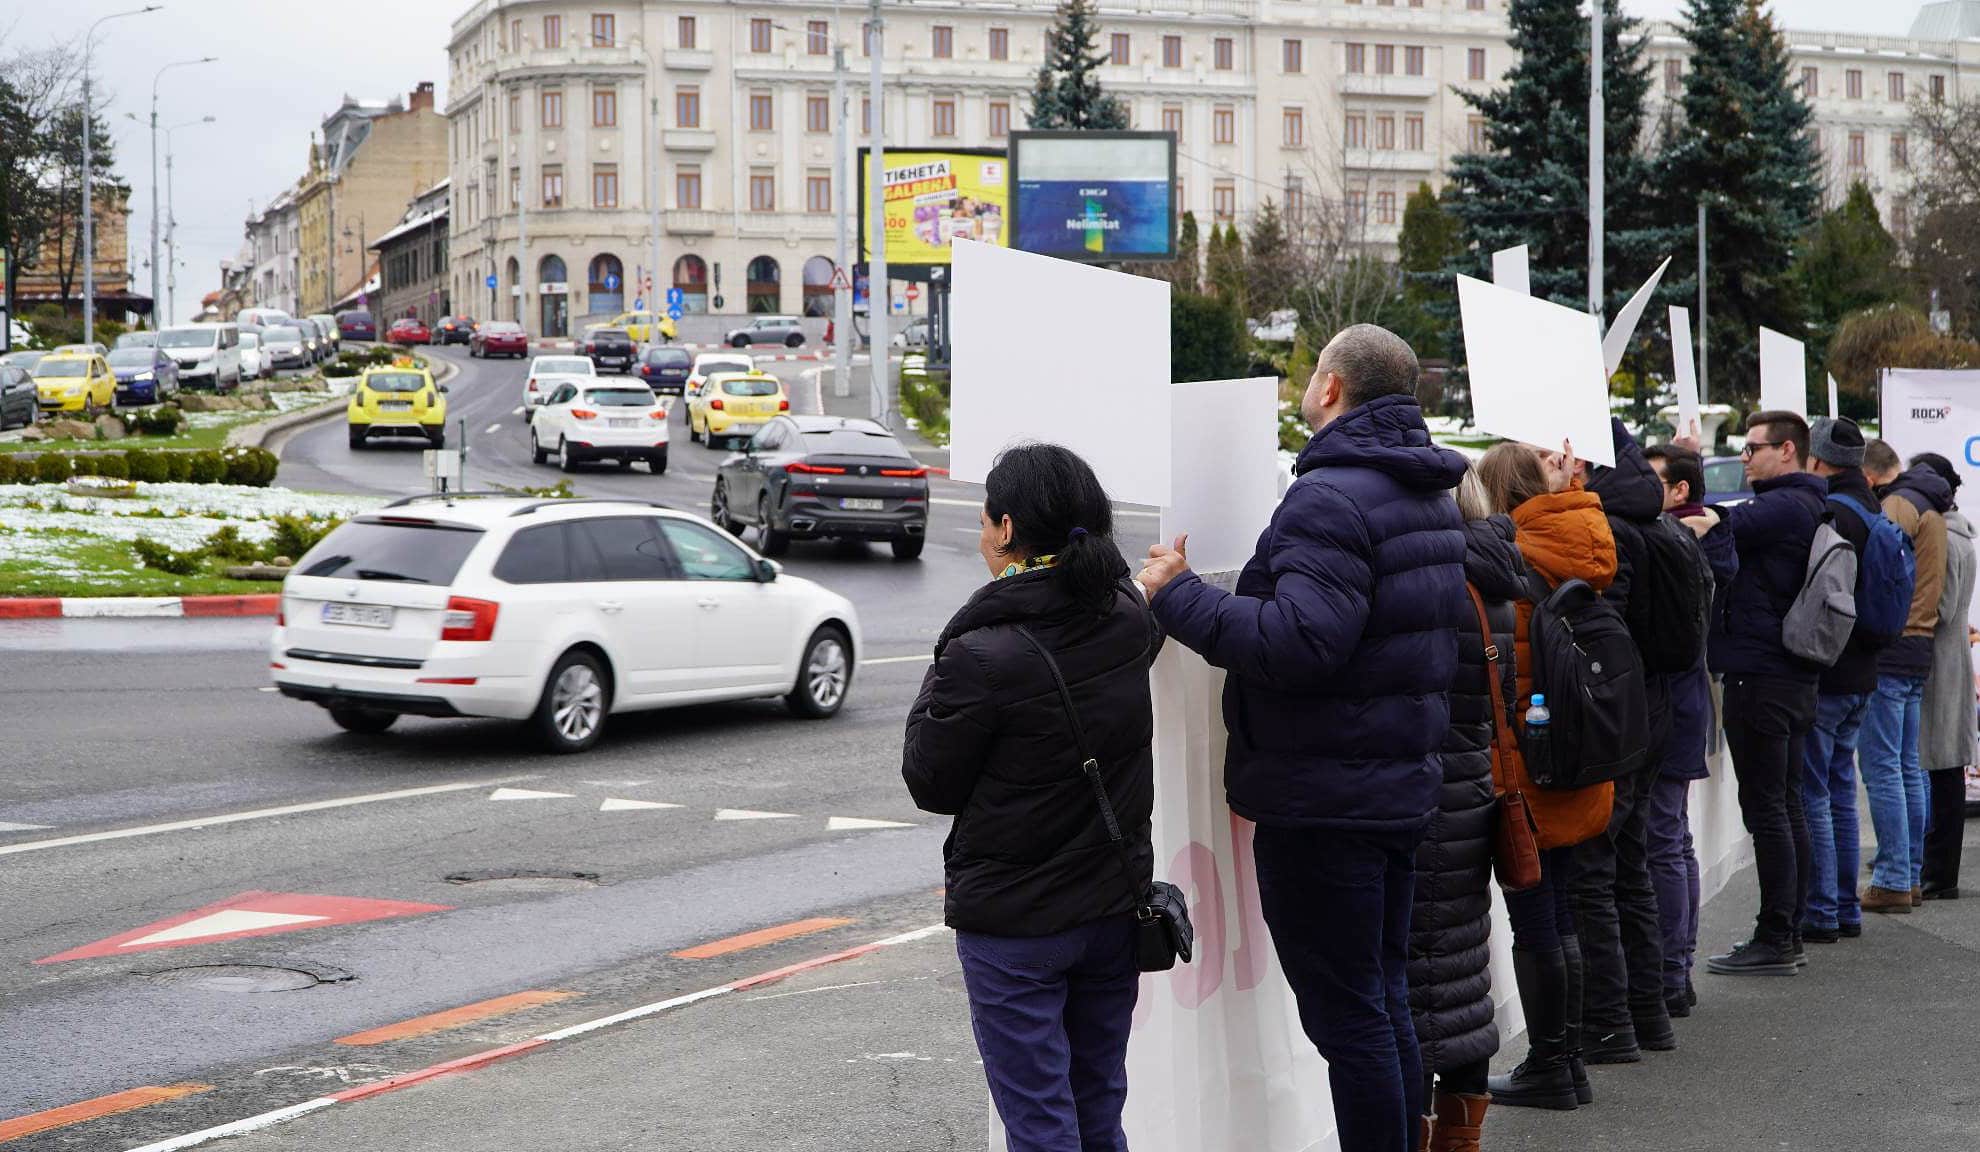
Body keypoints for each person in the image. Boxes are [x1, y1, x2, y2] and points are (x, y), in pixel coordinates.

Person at [1137, 324, 1468, 1152]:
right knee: (1380, 1001)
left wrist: (1178, 595)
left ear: (1329, 387)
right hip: (1386, 788)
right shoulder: (1419, 488)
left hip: (1329, 802)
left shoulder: (1331, 494)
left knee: (1352, 1018)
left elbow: (1300, 642)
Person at [901, 443, 1159, 1152]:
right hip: (1112, 906)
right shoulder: (1127, 618)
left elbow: (930, 780)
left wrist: (951, 647)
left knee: (1042, 1125)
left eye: (985, 516)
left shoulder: (981, 652)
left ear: (1006, 528)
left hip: (1017, 928)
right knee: (1097, 1108)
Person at [1471, 441, 1617, 1113]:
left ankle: (1553, 1064)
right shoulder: (1585, 546)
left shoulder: (1510, 563)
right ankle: (1569, 1058)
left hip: (1526, 770)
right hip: (1579, 763)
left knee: (1537, 920)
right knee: (1559, 912)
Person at [1682, 410, 1828, 976]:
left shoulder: (1783, 507)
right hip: (1787, 675)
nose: (1743, 458)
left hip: (1761, 675)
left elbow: (1710, 522)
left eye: (1752, 448)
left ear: (1787, 451)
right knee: (1785, 804)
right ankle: (1786, 930)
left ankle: (1776, 936)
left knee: (1769, 807)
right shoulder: (1804, 502)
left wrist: (1689, 466)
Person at [1409, 469, 1518, 1150]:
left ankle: (1426, 1134)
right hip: (1472, 791)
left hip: (1430, 795)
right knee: (1463, 973)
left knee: (1421, 981)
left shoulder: (1436, 589)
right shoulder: (1493, 586)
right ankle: (1462, 1137)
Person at [1573, 418, 1679, 1063]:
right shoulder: (1652, 518)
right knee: (1629, 870)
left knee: (1592, 876)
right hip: (1652, 712)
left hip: (1614, 718)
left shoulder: (1605, 529)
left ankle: (1609, 1024)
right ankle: (1649, 1012)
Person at [1642, 442, 1735, 1012]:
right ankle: (1676, 969)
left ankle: (1671, 973)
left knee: (1663, 840)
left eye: (1651, 479)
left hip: (1672, 707)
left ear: (1680, 490)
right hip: (1682, 705)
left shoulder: (1679, 541)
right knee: (1671, 839)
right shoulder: (1696, 538)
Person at [1796, 418, 1884, 941]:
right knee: (1842, 790)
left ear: (1818, 458)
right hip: (1865, 671)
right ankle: (1846, 908)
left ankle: (1824, 911)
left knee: (1815, 793)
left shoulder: (1833, 513)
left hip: (1829, 668)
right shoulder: (1874, 507)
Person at [1860, 439, 1953, 912]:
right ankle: (1908, 873)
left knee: (1883, 767)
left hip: (1892, 646)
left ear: (1870, 474)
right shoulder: (1931, 505)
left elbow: (1881, 574)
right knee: (1907, 767)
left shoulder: (1898, 504)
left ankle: (1894, 875)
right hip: (1920, 643)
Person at [1914, 453, 1976, 899]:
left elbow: (1944, 605)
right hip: (1948, 657)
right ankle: (1938, 869)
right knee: (1944, 765)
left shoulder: (1947, 539)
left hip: (1940, 660)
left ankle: (1940, 871)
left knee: (1943, 766)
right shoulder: (1958, 535)